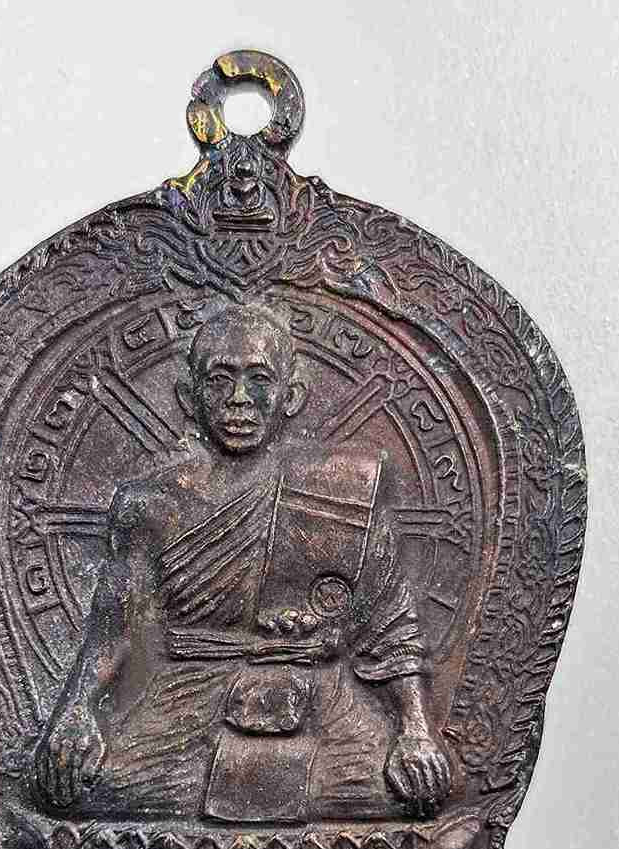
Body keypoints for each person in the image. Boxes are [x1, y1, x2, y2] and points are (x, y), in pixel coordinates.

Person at [34, 303, 451, 822]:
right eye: (219, 380)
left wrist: (414, 730)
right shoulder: (150, 506)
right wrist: (77, 710)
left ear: (290, 398)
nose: (238, 399)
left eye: (259, 380)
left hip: (320, 700)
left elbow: (391, 627)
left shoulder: (341, 491)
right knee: (71, 793)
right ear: (188, 398)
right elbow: (114, 630)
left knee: (416, 798)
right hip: (185, 703)